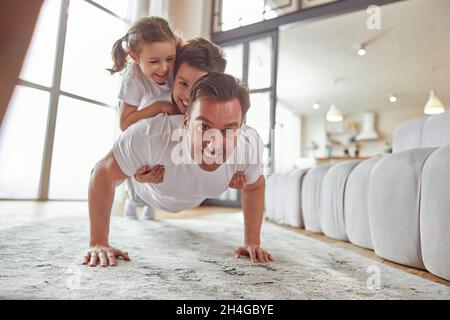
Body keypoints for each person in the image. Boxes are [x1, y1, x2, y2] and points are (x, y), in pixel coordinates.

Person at [84, 73, 273, 267]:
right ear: (186, 122)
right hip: (148, 191)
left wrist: (252, 241)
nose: (214, 141)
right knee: (136, 197)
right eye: (204, 126)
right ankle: (133, 199)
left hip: (194, 195)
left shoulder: (248, 146)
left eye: (229, 131)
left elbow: (255, 186)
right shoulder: (151, 134)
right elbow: (102, 172)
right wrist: (98, 242)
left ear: (241, 129)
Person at [122, 37, 245, 219]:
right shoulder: (158, 110)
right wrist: (138, 177)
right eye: (183, 84)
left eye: (198, 88)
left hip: (179, 187)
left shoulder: (217, 118)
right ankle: (133, 201)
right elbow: (128, 141)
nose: (188, 96)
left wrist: (232, 175)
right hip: (145, 179)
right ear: (174, 77)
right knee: (138, 196)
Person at [107, 16, 180, 131]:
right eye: (154, 61)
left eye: (170, 59)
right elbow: (124, 124)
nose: (164, 68)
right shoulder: (133, 77)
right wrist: (159, 107)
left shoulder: (180, 58)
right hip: (153, 125)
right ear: (135, 57)